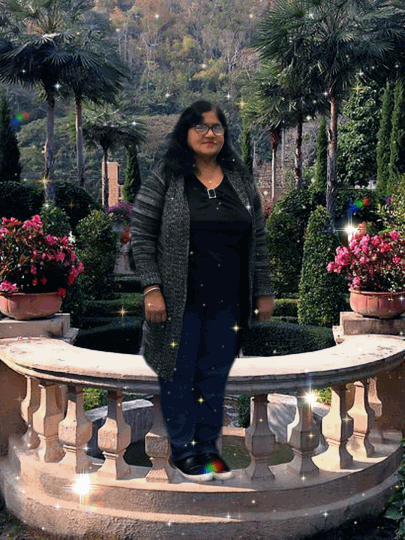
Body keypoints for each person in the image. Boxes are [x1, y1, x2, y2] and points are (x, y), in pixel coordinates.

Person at [130, 100, 274, 483]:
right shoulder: (167, 177)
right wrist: (151, 287)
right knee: (178, 373)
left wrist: (263, 291)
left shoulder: (239, 180)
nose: (210, 133)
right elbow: (141, 235)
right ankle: (183, 450)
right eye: (201, 126)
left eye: (217, 127)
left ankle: (208, 449)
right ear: (186, 132)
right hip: (180, 300)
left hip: (228, 301)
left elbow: (257, 241)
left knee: (214, 375)